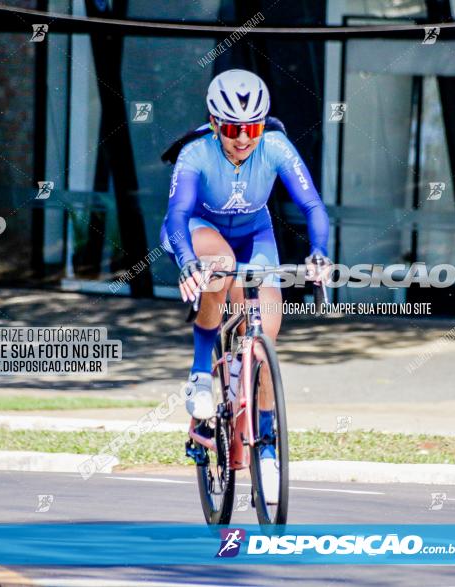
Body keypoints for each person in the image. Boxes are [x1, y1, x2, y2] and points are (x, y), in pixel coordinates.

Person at [159, 69, 331, 498]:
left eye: (252, 128)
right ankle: (201, 374)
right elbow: (178, 216)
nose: (243, 138)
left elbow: (311, 204)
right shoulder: (195, 154)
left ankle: (266, 451)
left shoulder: (274, 145)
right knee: (218, 267)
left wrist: (319, 252)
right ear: (216, 124)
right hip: (198, 230)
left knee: (265, 333)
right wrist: (187, 263)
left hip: (255, 236)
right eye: (233, 129)